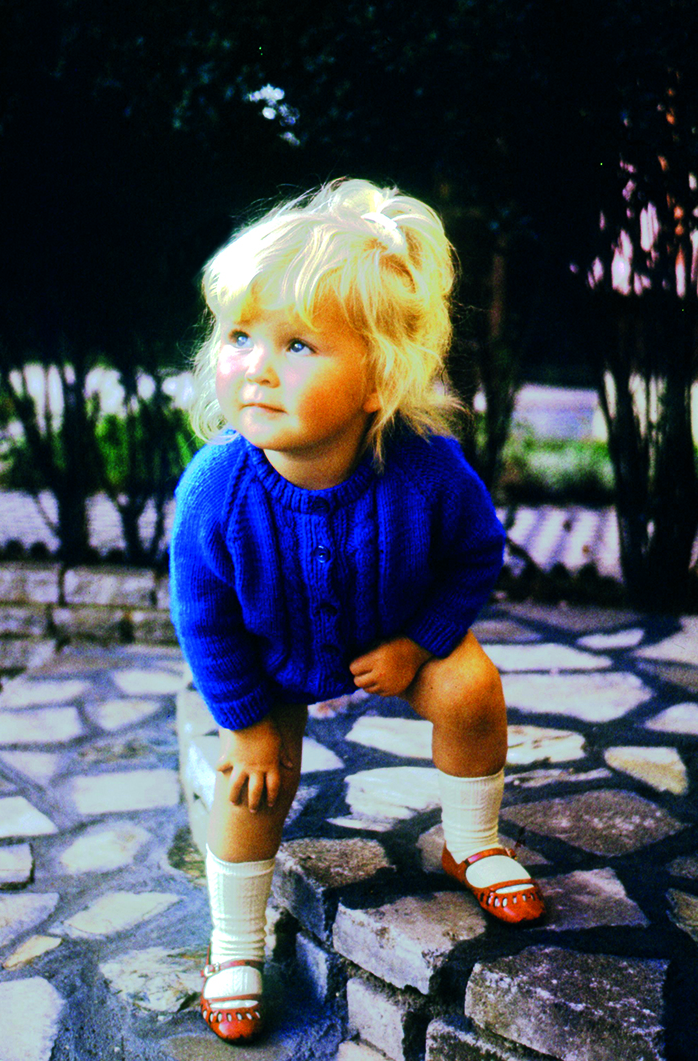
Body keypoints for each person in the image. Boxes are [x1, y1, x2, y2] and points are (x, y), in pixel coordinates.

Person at [170, 178, 545, 1044]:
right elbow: (205, 615)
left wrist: (420, 644)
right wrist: (249, 724)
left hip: (393, 636)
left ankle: (469, 838)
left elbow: (472, 554)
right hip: (272, 658)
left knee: (471, 688)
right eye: (238, 335)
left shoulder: (426, 470)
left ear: (377, 378)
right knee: (254, 781)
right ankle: (235, 943)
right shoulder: (216, 491)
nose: (254, 364)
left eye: (296, 343)